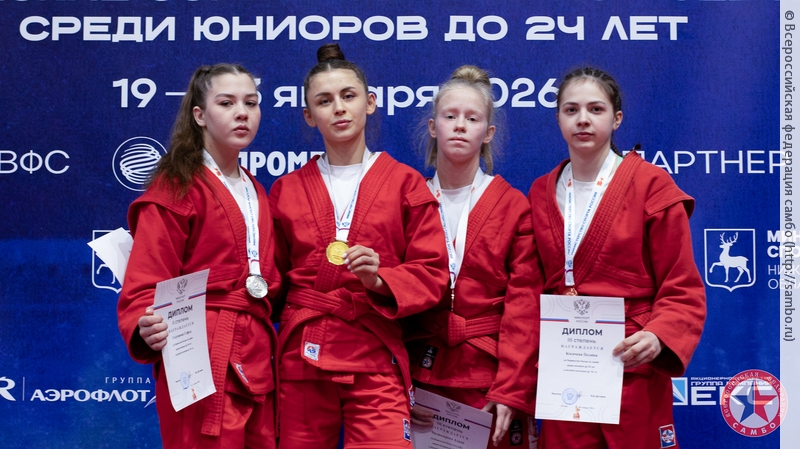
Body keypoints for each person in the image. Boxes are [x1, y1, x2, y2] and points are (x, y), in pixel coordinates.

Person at [269, 43, 449, 449]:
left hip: (374, 352)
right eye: (324, 101)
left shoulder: (405, 183)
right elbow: (268, 279)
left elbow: (433, 272)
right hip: (303, 358)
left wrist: (380, 280)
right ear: (309, 116)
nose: (339, 108)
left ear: (369, 103)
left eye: (348, 96)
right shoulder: (286, 189)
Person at [528, 67, 706, 448]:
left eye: (596, 109)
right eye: (571, 110)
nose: (583, 119)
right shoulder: (541, 192)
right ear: (558, 119)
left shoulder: (651, 184)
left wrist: (658, 335)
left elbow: (682, 285)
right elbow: (527, 291)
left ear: (617, 118)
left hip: (631, 363)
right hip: (567, 370)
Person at [117, 63, 281, 449]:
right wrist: (144, 322)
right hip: (197, 349)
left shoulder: (256, 191)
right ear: (200, 115)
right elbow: (145, 278)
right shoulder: (175, 185)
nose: (242, 112)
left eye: (251, 102)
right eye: (226, 103)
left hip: (255, 349)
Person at [405, 65, 543, 448]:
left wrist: (511, 388)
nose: (460, 126)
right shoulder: (408, 200)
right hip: (421, 375)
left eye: (472, 118)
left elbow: (524, 307)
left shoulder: (513, 206)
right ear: (433, 126)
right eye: (450, 116)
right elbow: (388, 300)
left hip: (490, 379)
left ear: (488, 132)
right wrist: (398, 385)